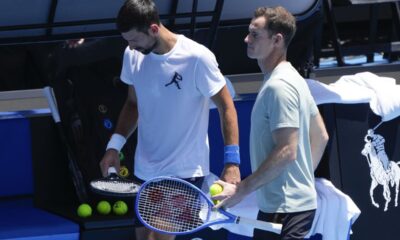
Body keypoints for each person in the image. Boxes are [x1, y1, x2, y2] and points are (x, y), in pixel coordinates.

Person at [99, 0, 241, 239]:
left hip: (183, 170)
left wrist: (232, 163)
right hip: (146, 170)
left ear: (153, 29)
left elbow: (227, 106)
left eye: (134, 39)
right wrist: (114, 146)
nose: (130, 47)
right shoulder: (132, 55)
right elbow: (133, 104)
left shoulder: (197, 58)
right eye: (127, 41)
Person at [212, 6, 329, 240]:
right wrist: (300, 181)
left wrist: (240, 190)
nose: (247, 39)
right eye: (248, 32)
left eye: (255, 34)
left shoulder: (280, 86)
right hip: (285, 207)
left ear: (277, 40)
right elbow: (321, 136)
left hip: (286, 211)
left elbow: (287, 150)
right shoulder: (292, 78)